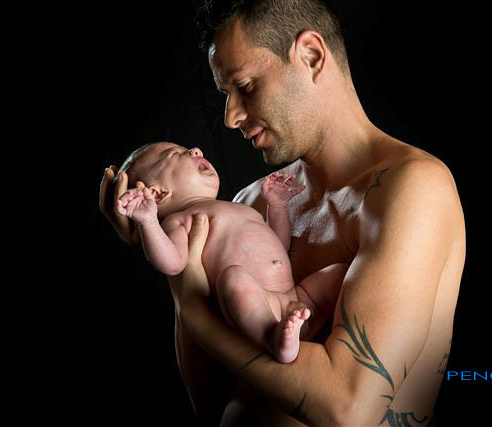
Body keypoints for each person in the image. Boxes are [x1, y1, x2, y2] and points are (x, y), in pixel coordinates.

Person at [99, 0, 465, 425]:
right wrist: (158, 237)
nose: (231, 117)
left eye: (246, 86)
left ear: (311, 56)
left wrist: (196, 311)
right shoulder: (250, 203)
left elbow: (348, 411)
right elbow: (211, 403)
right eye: (226, 95)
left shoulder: (409, 188)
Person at [114, 141, 347, 363]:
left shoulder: (239, 207)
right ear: (158, 194)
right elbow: (173, 263)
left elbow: (279, 244)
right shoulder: (179, 220)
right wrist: (149, 223)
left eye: (189, 149)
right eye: (176, 154)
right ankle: (272, 337)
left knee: (339, 273)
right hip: (256, 310)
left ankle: (322, 324)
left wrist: (277, 207)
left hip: (296, 297)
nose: (195, 150)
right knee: (232, 278)